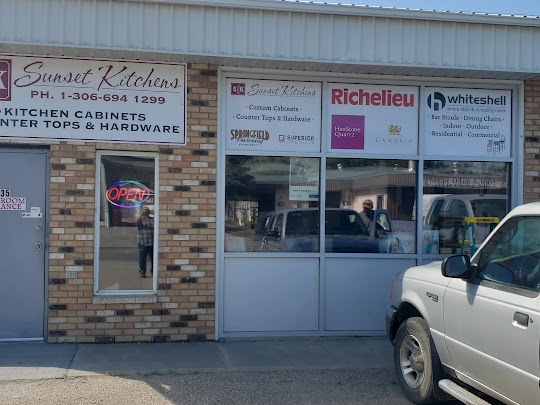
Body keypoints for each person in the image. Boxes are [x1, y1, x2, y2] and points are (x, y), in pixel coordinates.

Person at [136, 206, 154, 278]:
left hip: (151, 242)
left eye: (147, 210)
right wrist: (141, 214)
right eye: (144, 210)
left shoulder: (152, 219)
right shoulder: (141, 220)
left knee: (153, 258)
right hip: (142, 242)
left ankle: (153, 271)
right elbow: (136, 221)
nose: (146, 212)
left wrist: (154, 213)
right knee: (142, 258)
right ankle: (142, 272)